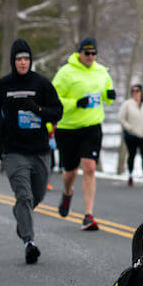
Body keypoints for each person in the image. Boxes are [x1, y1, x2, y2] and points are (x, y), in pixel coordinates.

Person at [0, 39, 64, 264]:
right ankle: (29, 242)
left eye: (26, 59)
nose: (22, 62)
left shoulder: (41, 84)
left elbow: (58, 111)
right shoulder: (2, 86)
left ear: (30, 61)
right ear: (13, 61)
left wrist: (38, 110)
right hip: (13, 151)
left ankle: (21, 214)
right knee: (24, 195)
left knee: (36, 196)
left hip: (39, 150)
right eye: (19, 59)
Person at [51, 37, 116, 230]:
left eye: (93, 53)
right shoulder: (65, 72)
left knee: (89, 167)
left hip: (92, 127)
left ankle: (88, 215)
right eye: (87, 53)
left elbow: (106, 94)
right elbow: (54, 99)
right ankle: (67, 191)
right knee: (70, 172)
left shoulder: (102, 71)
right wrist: (76, 103)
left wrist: (110, 96)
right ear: (79, 53)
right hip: (68, 128)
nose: (90, 56)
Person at [118, 83, 143, 187]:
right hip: (131, 135)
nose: (135, 93)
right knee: (132, 155)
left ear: (141, 92)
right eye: (133, 91)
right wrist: (128, 127)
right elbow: (121, 118)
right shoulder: (127, 104)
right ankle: (130, 175)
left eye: (137, 91)